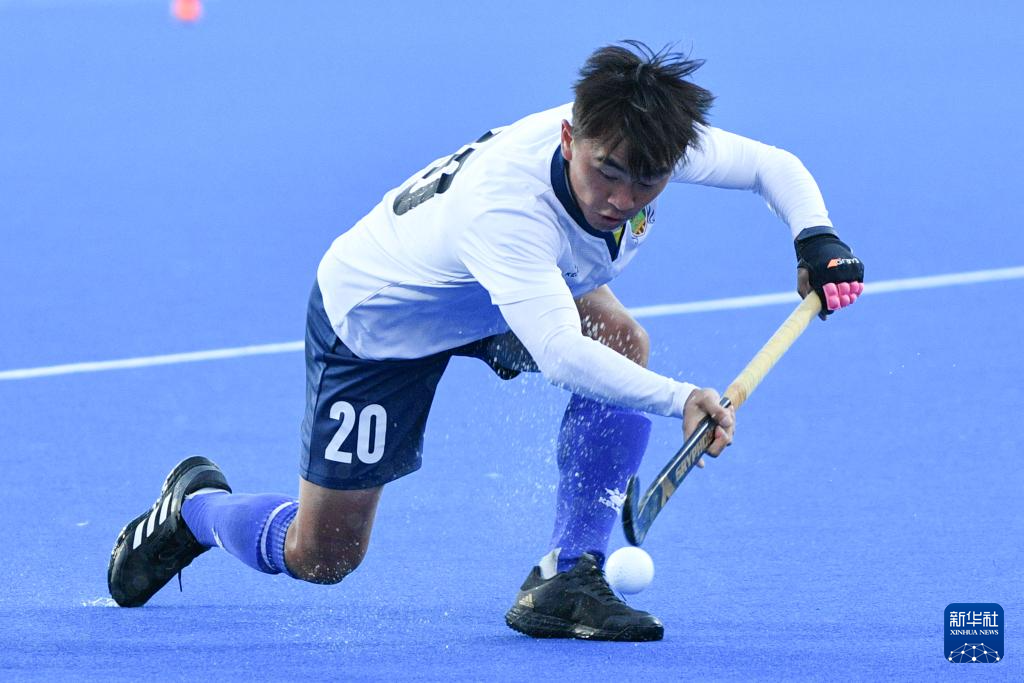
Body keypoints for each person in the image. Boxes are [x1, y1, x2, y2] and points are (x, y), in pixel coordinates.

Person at [107, 40, 864, 642]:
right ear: (570, 136)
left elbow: (773, 166)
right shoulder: (507, 208)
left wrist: (817, 237)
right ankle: (196, 508)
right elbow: (560, 352)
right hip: (381, 321)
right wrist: (684, 400)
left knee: (619, 339)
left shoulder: (647, 138)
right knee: (324, 556)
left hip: (502, 291)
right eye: (606, 173)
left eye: (646, 183)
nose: (621, 199)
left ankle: (569, 575)